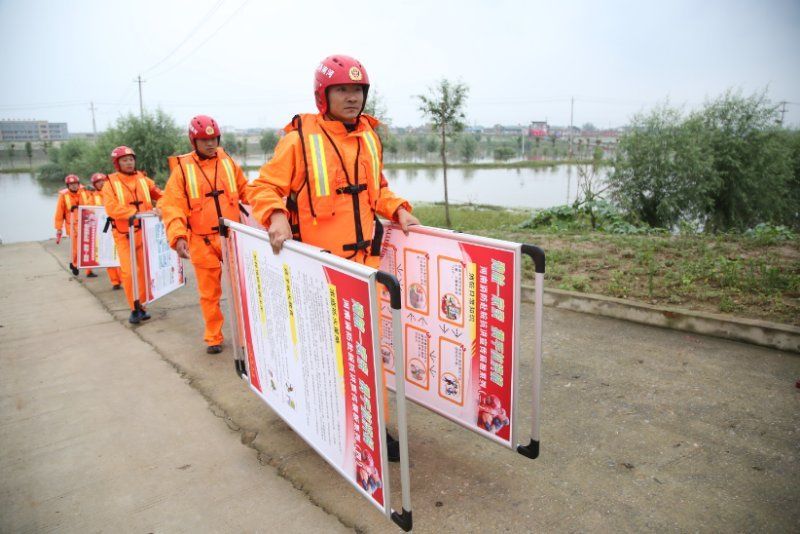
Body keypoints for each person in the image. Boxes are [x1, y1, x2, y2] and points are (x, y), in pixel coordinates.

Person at [246, 55, 419, 461]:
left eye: (358, 90)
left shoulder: (369, 138)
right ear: (323, 95)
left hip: (365, 268)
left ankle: (374, 428)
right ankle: (320, 418)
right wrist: (274, 216)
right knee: (324, 352)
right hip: (318, 270)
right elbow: (263, 187)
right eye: (343, 89)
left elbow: (376, 190)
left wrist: (398, 209)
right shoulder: (298, 141)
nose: (352, 97)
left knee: (369, 351)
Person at [159, 115, 250, 354]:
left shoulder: (227, 161)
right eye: (204, 140)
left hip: (231, 237)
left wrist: (273, 205)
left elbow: (246, 190)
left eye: (214, 139)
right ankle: (213, 337)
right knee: (209, 295)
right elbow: (172, 206)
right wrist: (177, 236)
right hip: (202, 241)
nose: (211, 144)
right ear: (193, 141)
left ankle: (245, 335)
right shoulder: (182, 169)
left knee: (240, 289)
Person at [101, 146, 163, 324]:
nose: (129, 163)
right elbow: (111, 207)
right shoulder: (110, 183)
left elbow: (161, 195)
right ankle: (134, 308)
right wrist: (134, 212)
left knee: (143, 272)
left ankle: (142, 306)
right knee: (129, 273)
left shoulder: (143, 179)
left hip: (144, 234)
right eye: (124, 160)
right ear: (117, 163)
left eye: (131, 159)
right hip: (124, 235)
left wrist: (162, 206)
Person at [53, 174, 95, 277]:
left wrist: (94, 189)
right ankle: (75, 264)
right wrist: (59, 228)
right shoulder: (63, 196)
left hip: (86, 223)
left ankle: (89, 271)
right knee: (76, 249)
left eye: (75, 184)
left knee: (88, 248)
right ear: (68, 185)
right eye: (71, 184)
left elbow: (97, 196)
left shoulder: (85, 191)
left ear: (78, 184)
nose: (74, 186)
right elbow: (59, 213)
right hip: (72, 226)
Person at [89, 173, 123, 290]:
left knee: (121, 254)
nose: (101, 183)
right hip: (103, 231)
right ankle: (115, 282)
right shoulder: (92, 197)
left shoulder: (115, 193)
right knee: (108, 254)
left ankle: (124, 278)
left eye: (103, 181)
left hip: (118, 228)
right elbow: (89, 213)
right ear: (94, 185)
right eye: (98, 182)